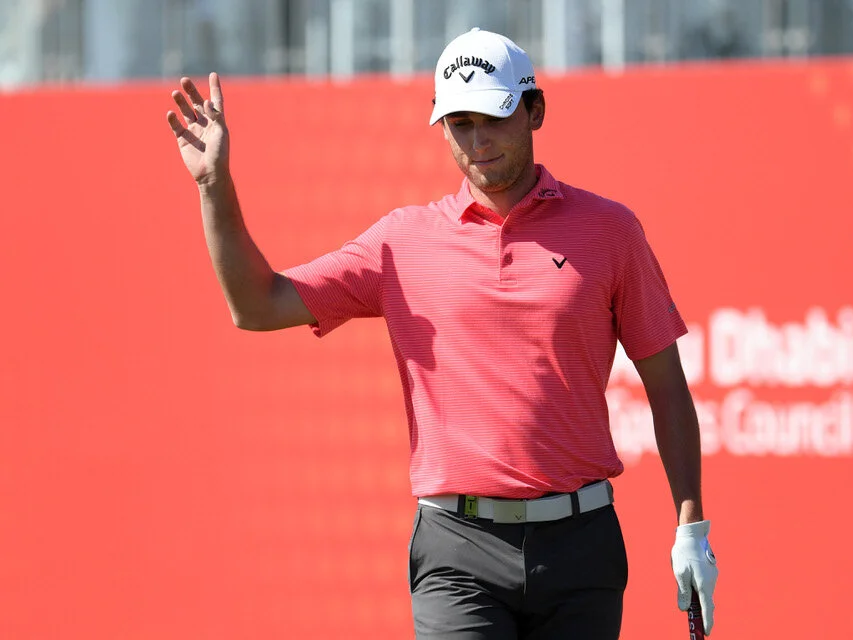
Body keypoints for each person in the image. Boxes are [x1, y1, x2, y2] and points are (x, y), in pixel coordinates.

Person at [166, 27, 718, 640]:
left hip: (580, 545)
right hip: (458, 551)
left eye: (494, 118)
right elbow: (257, 304)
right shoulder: (401, 242)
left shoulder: (610, 230)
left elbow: (667, 387)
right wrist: (213, 186)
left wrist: (690, 528)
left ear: (535, 111)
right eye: (460, 124)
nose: (478, 141)